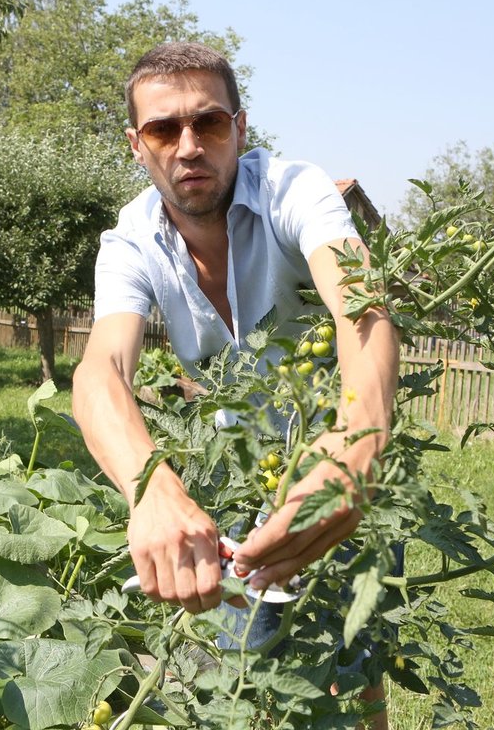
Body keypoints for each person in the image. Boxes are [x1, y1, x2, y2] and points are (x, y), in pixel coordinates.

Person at [72, 41, 401, 727]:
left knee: (359, 657)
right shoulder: (129, 241)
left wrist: (355, 445)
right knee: (245, 678)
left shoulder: (295, 190)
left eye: (209, 123)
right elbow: (101, 370)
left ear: (240, 129)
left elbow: (361, 307)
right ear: (137, 145)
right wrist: (151, 488)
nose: (188, 145)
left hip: (335, 468)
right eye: (164, 129)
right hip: (242, 481)